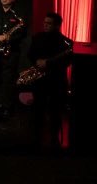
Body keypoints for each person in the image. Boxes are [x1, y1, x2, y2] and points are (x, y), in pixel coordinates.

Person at [27, 12, 72, 148]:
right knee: (38, 109)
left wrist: (48, 64)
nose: (45, 25)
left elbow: (67, 62)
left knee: (55, 111)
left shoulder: (66, 43)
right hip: (39, 80)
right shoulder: (37, 37)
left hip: (56, 81)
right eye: (45, 22)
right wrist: (37, 61)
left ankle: (54, 139)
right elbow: (30, 54)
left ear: (57, 25)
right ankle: (37, 137)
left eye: (49, 23)